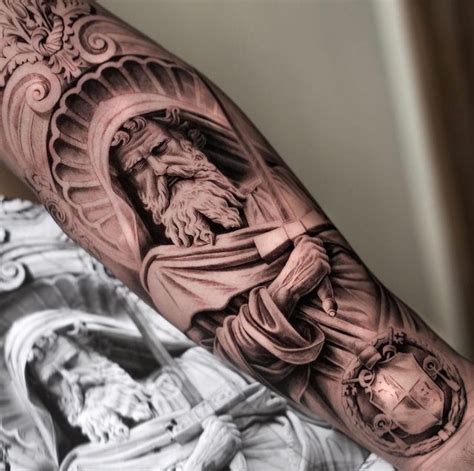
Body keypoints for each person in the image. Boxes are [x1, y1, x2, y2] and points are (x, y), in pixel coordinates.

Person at [0, 2, 471, 469]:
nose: (160, 170)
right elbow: (240, 343)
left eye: (162, 148)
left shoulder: (264, 198)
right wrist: (286, 290)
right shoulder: (169, 270)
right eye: (139, 169)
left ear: (192, 141)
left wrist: (448, 446)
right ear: (131, 196)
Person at [6, 309, 371, 471]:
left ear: (98, 348)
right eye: (54, 381)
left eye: (72, 362)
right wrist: (201, 463)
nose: (73, 382)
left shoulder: (194, 368)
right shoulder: (89, 465)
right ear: (47, 401)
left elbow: (296, 411)